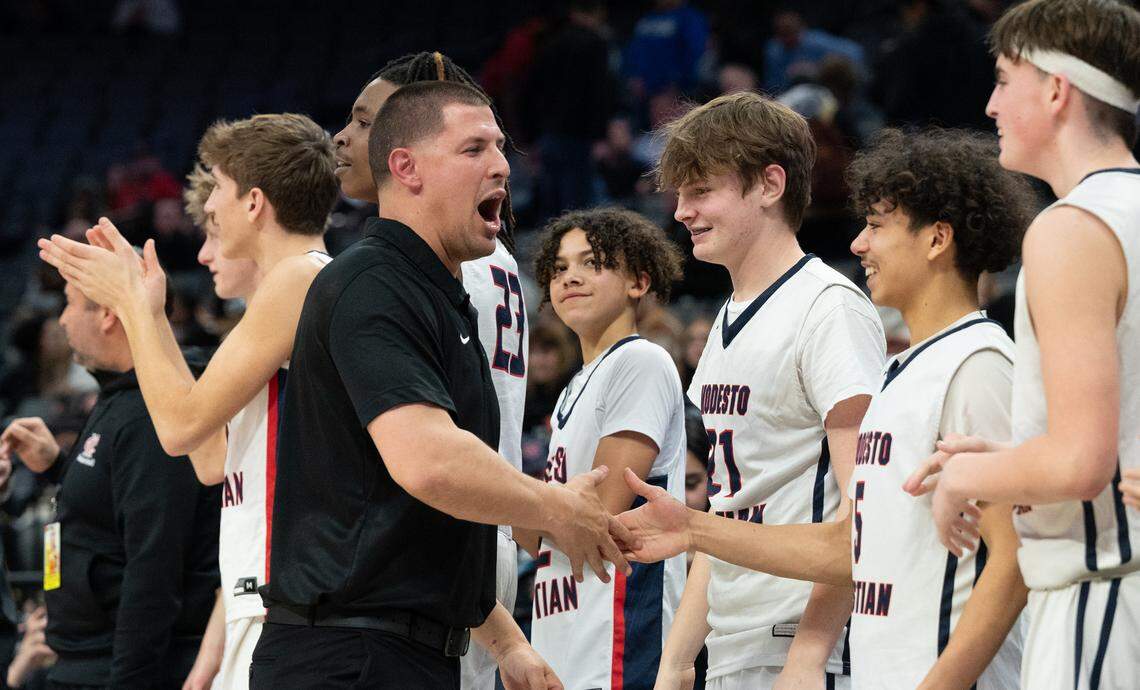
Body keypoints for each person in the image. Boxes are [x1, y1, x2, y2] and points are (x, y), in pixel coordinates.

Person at [614, 127, 1038, 689]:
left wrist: (814, 654)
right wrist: (693, 541)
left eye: (877, 225)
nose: (858, 243)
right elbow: (851, 540)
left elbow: (1012, 561)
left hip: (900, 661)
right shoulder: (903, 372)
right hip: (861, 658)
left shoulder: (979, 361)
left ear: (937, 240)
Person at [254, 80, 631, 689]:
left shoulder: (440, 297)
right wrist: (557, 507)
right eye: (474, 149)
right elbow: (427, 463)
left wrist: (508, 643)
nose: (503, 166)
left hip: (405, 648)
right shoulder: (372, 283)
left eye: (502, 148)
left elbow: (423, 521)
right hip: (347, 653)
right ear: (406, 168)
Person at [37, 112, 340, 690]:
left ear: (253, 203)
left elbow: (176, 429)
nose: (208, 234)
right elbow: (208, 460)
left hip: (297, 604)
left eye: (218, 195)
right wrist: (145, 310)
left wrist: (134, 306)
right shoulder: (293, 291)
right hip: (265, 600)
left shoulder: (301, 277)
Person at [902, 1, 1140, 687]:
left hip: (1103, 596)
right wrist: (1018, 456)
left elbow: (1080, 464)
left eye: (1005, 80)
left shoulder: (1072, 226)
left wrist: (969, 477)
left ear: (1057, 89)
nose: (991, 102)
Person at [654, 90, 886, 690]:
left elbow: (863, 520)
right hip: (736, 640)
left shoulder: (828, 309)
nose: (681, 211)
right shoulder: (728, 319)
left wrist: (808, 654)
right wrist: (679, 659)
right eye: (680, 194)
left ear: (770, 184)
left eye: (701, 191)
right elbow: (730, 506)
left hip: (804, 645)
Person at [332, 50, 531, 690]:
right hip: (471, 533)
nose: (344, 137)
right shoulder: (486, 252)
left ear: (409, 152)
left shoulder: (437, 255)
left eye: (366, 122)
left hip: (440, 535)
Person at [0, 281, 220, 689]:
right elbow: (108, 514)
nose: (62, 319)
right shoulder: (118, 397)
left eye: (70, 305)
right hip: (83, 659)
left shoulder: (151, 412)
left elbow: (153, 568)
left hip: (116, 669)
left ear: (107, 316)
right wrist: (57, 468)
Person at [523, 207, 686, 689]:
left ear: (638, 282)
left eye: (591, 262)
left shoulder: (640, 360)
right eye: (559, 268)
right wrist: (533, 510)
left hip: (620, 632)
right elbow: (540, 532)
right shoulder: (575, 385)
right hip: (565, 625)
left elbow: (597, 514)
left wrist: (504, 499)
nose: (570, 276)